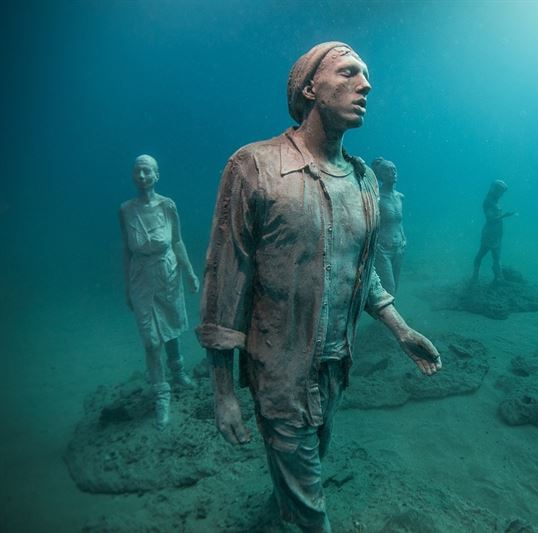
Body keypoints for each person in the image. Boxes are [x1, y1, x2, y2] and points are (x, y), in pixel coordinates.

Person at [196, 42, 442, 533]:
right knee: (312, 513)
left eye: (367, 75)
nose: (366, 84)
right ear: (310, 87)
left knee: (306, 471)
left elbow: (361, 270)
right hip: (279, 373)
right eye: (349, 72)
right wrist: (223, 391)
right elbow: (226, 283)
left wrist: (400, 328)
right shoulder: (255, 166)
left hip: (334, 368)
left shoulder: (364, 179)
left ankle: (284, 508)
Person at [119, 154, 199, 430]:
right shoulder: (126, 210)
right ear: (133, 175)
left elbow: (177, 241)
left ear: (156, 175)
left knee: (172, 327)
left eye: (146, 171)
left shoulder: (168, 206)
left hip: (167, 273)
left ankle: (178, 372)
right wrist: (128, 288)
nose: (141, 176)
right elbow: (127, 252)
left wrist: (189, 272)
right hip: (141, 278)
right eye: (137, 171)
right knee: (152, 341)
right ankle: (161, 395)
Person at [371, 157, 406, 296]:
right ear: (381, 175)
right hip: (383, 250)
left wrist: (404, 240)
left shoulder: (400, 197)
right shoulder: (375, 197)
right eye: (387, 171)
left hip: (399, 248)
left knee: (395, 287)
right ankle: (384, 316)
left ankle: (380, 317)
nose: (392, 173)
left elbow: (399, 222)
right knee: (389, 287)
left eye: (394, 169)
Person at [472, 179, 516, 283]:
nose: (501, 194)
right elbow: (490, 220)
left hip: (496, 234)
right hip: (490, 233)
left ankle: (498, 279)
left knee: (496, 257)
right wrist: (505, 215)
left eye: (502, 192)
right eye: (500, 192)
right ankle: (475, 276)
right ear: (494, 190)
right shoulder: (488, 202)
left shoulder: (494, 201)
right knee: (481, 255)